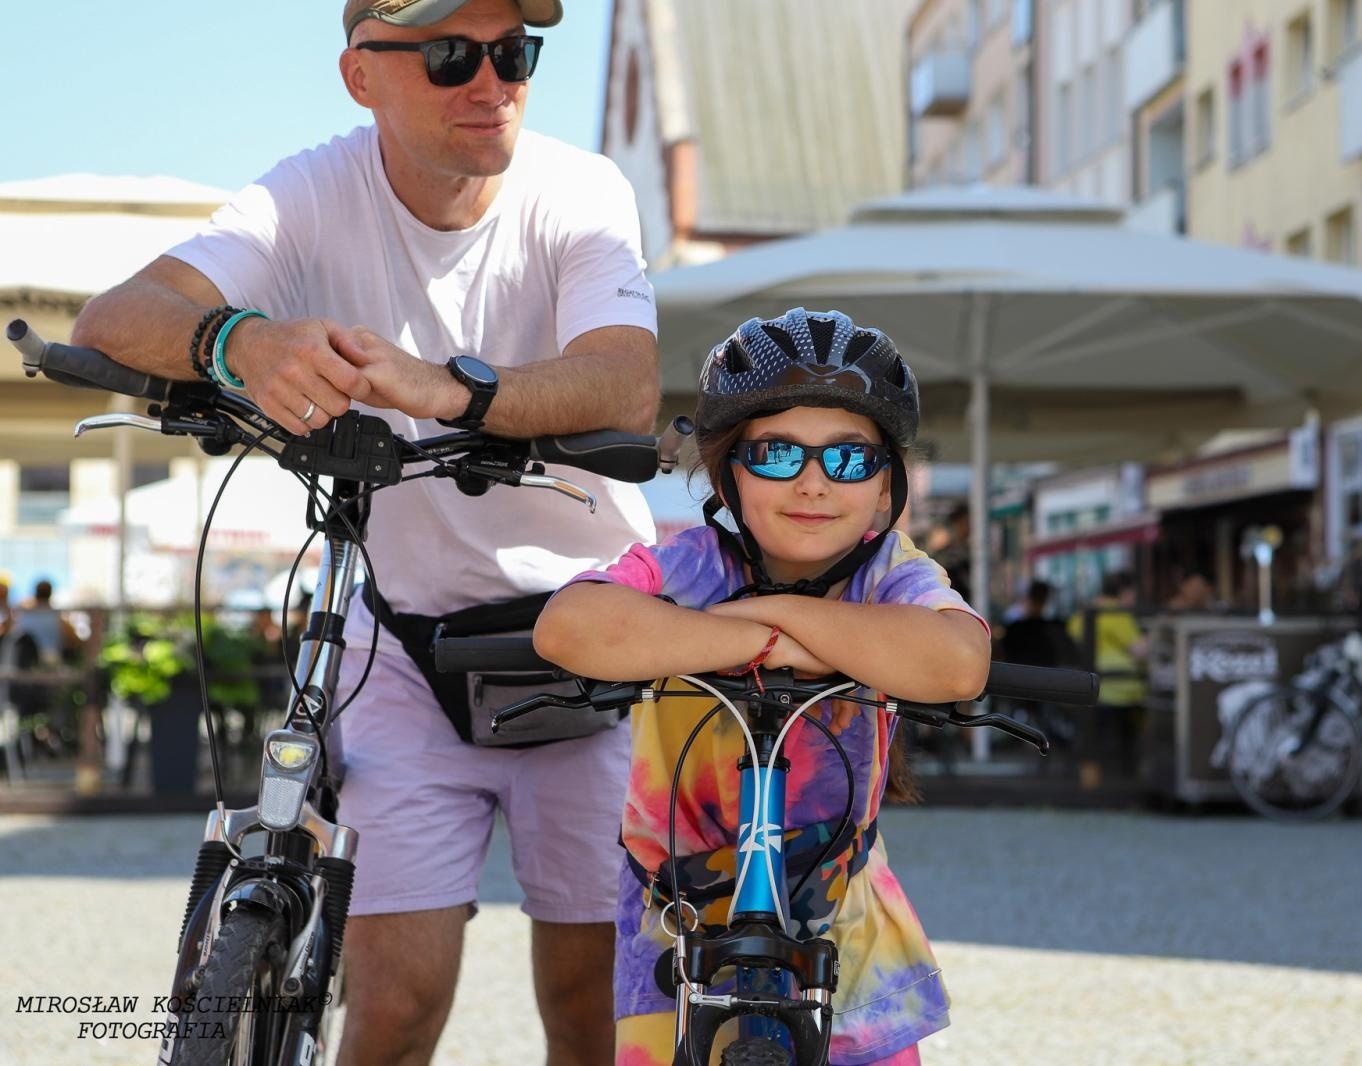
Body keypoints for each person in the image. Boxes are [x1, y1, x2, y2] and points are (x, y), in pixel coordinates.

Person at [71, 2, 660, 1062]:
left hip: (589, 641)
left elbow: (623, 381)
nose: (492, 82)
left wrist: (449, 390)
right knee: (393, 1008)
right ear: (360, 76)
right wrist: (236, 339)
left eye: (514, 52)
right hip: (402, 646)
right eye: (450, 56)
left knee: (592, 1012)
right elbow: (114, 316)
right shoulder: (309, 193)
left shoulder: (580, 190)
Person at [535, 309, 989, 1064]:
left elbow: (957, 663)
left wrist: (769, 613)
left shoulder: (892, 574)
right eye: (776, 454)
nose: (813, 482)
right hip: (676, 918)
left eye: (849, 458)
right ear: (729, 474)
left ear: (886, 486)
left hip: (840, 910)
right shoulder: (692, 563)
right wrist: (773, 644)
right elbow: (570, 627)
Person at [1069, 570, 1148, 783]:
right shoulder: (1117, 614)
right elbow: (1140, 651)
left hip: (1085, 686)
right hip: (1120, 687)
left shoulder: (1082, 613)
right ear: (1124, 591)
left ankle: (1092, 770)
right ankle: (1131, 769)